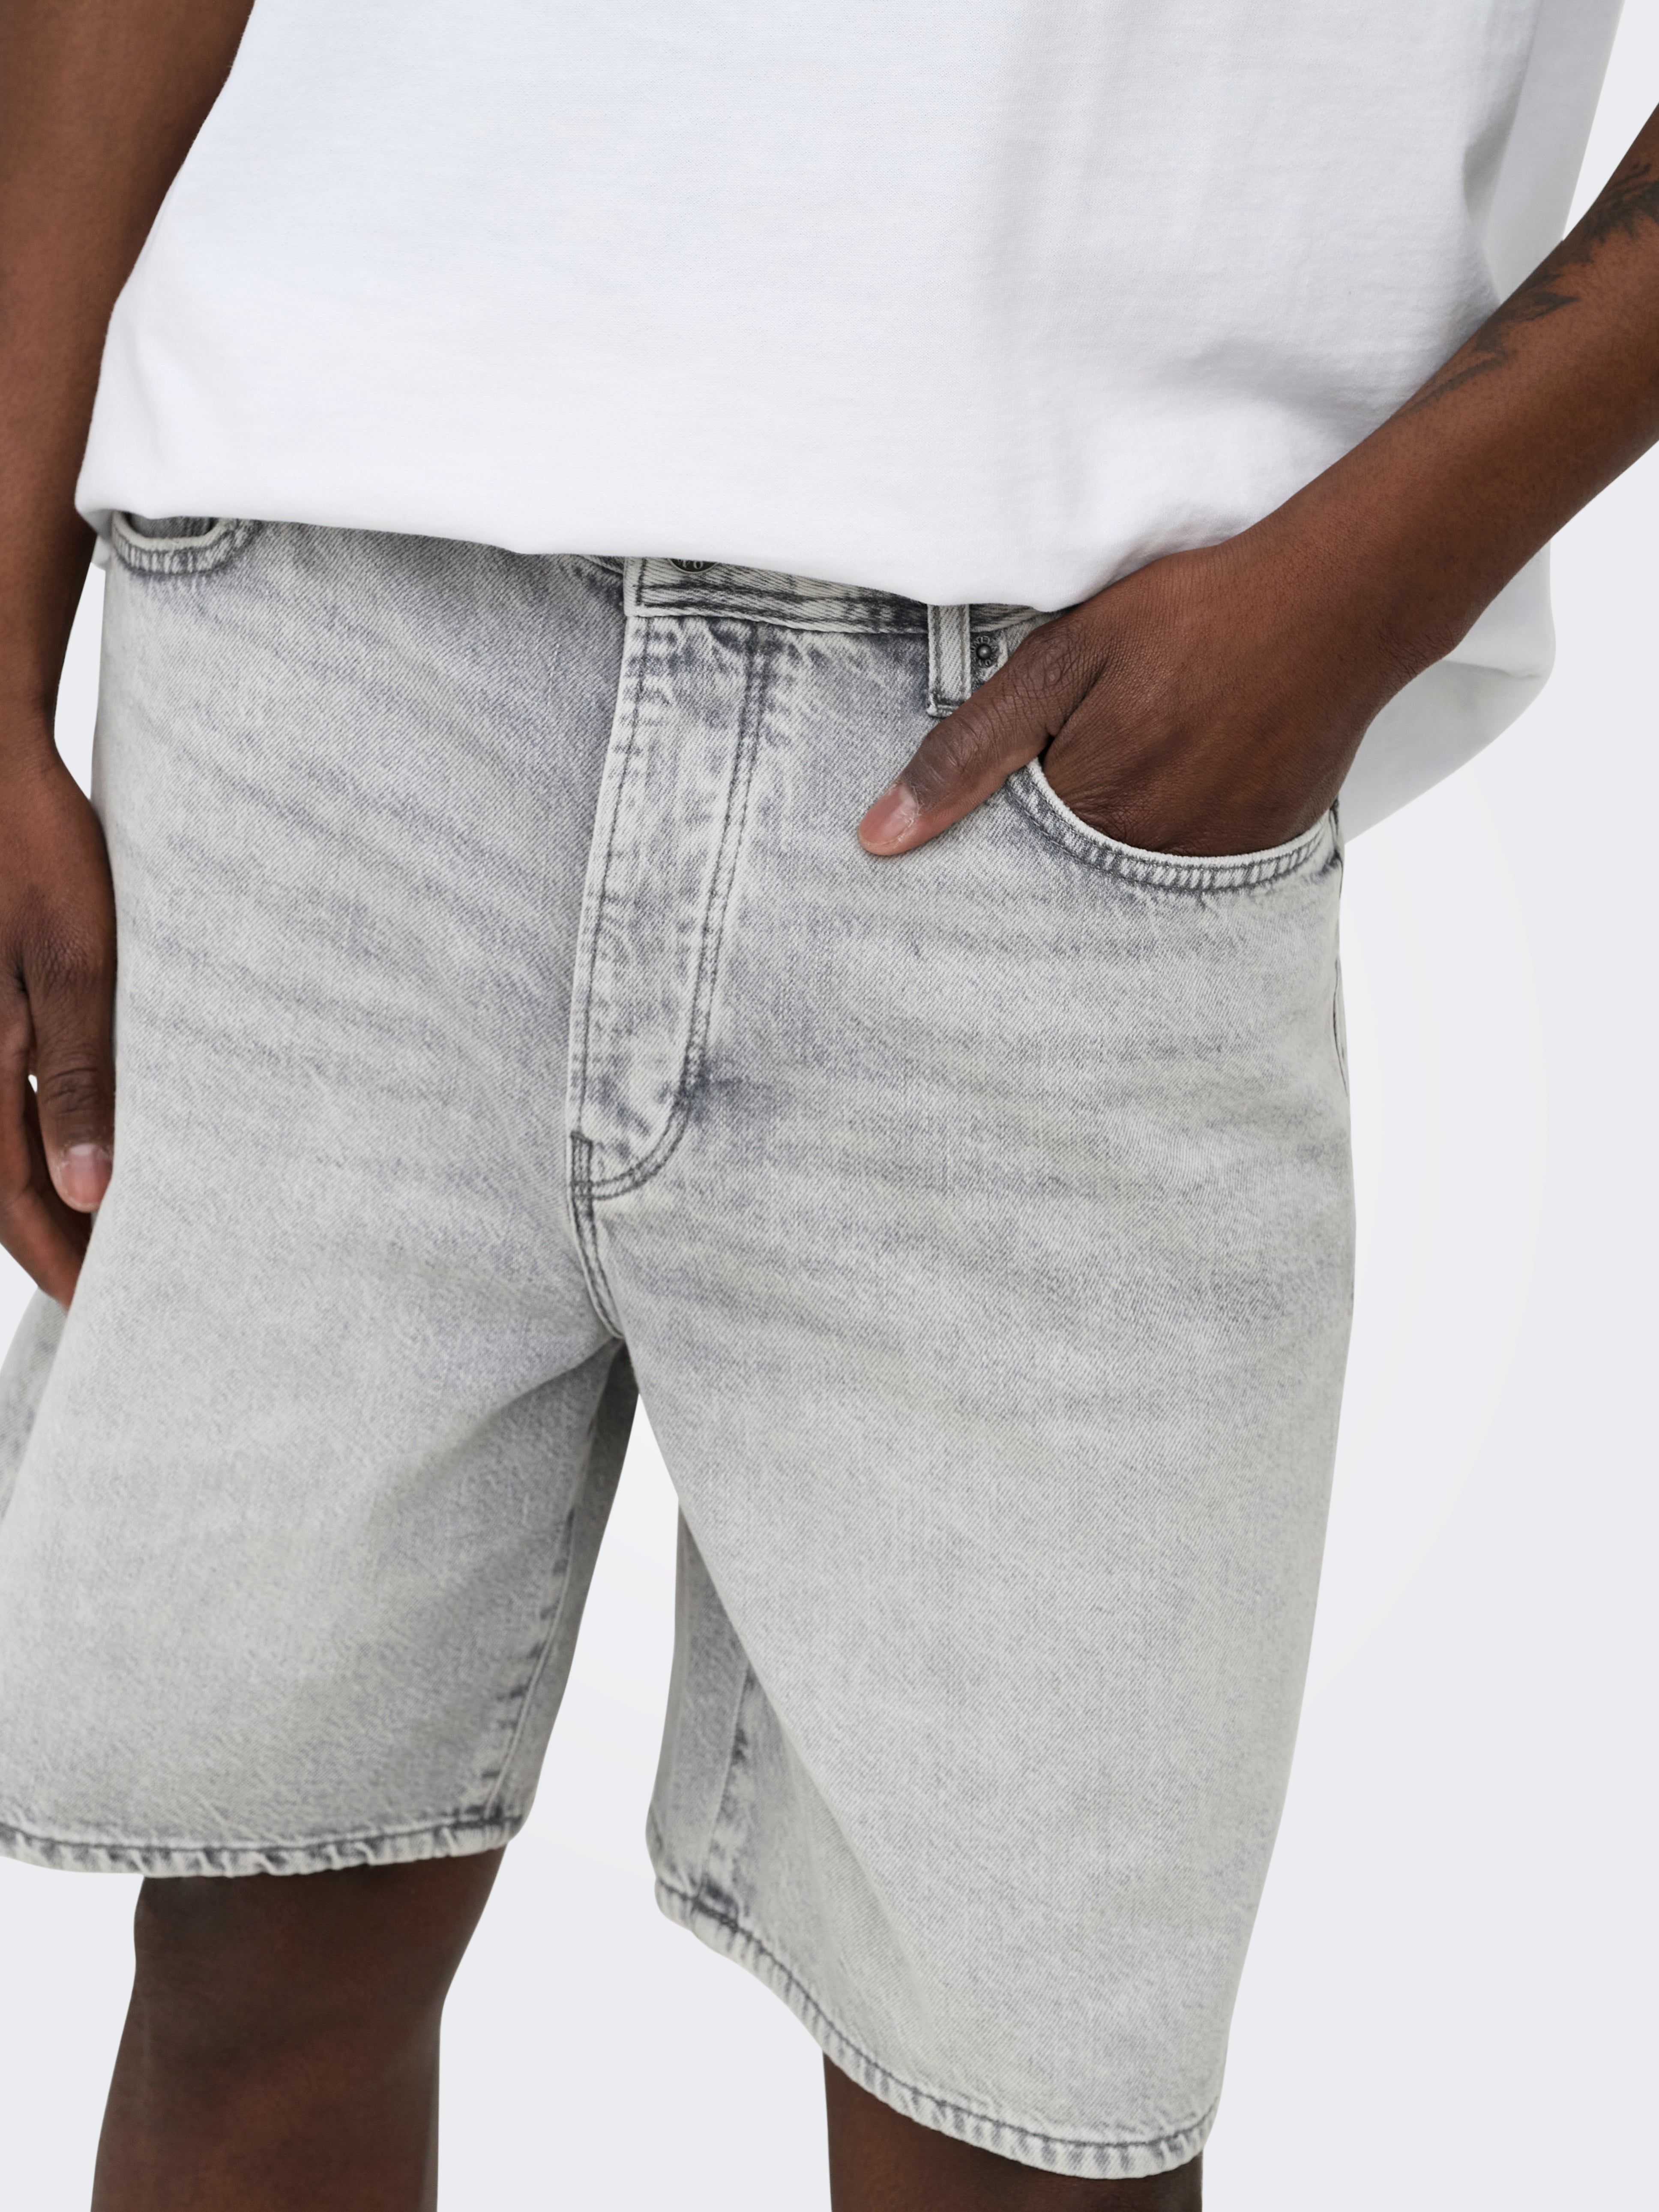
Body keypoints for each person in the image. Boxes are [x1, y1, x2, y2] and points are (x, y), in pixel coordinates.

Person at [0, 0, 1649, 2204]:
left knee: (1033, 2119)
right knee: (252, 1949)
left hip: (1074, 728)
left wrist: (1348, 597)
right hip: (324, 617)